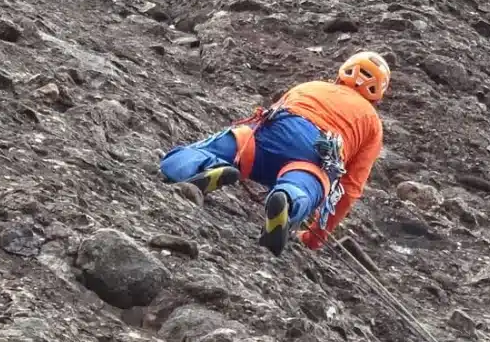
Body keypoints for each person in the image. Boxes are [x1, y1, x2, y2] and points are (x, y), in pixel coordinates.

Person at [159, 51, 389, 256]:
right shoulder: (372, 123)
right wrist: (314, 238)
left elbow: (269, 115)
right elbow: (349, 189)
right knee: (304, 185)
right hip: (314, 155)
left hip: (266, 138)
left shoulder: (310, 86)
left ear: (341, 75)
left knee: (209, 150)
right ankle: (287, 201)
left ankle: (202, 166)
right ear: (377, 96)